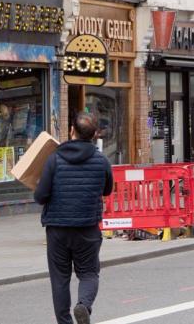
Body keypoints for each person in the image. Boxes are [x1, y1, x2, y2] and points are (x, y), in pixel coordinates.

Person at [34, 113, 114, 324]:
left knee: (60, 279)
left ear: (71, 131)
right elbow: (107, 190)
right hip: (88, 228)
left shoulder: (54, 159)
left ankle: (65, 322)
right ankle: (83, 305)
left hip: (57, 229)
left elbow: (40, 196)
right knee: (88, 273)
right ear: (95, 134)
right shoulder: (101, 161)